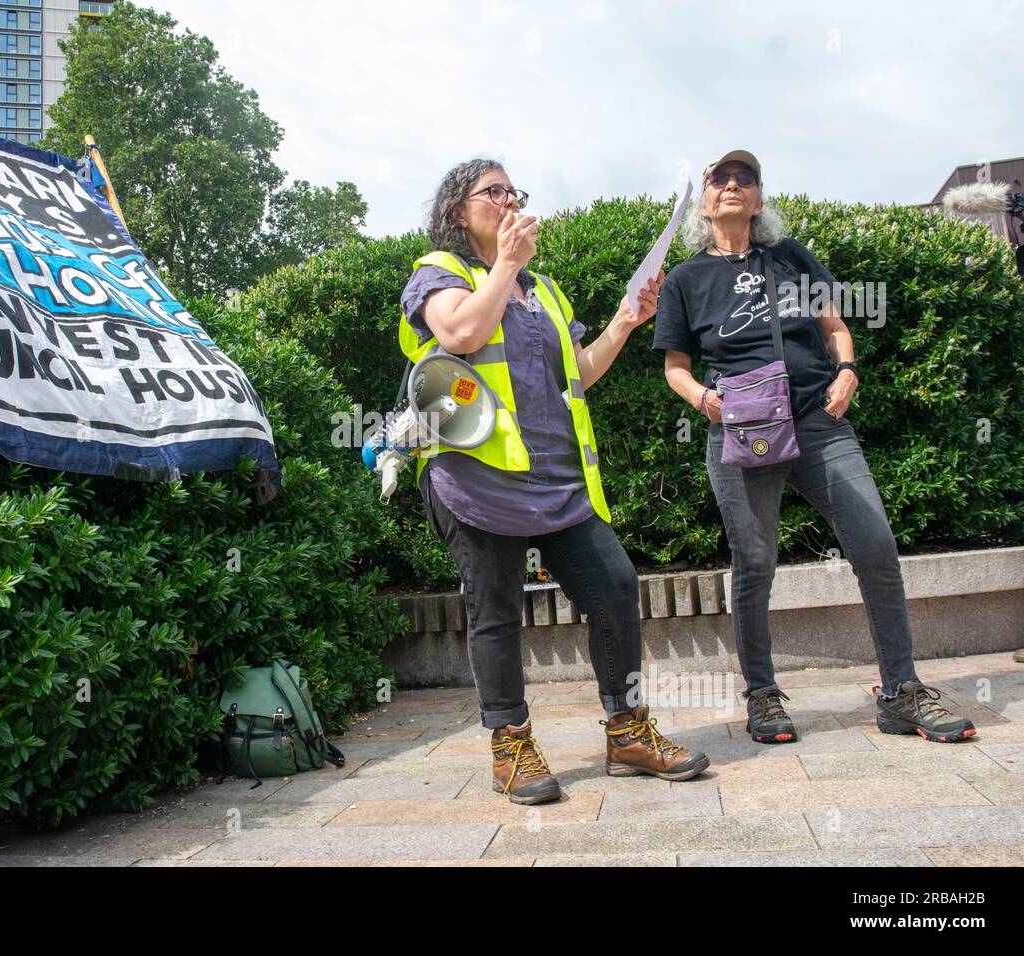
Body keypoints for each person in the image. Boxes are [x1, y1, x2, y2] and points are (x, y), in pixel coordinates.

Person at [399, 158, 710, 805]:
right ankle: (509, 746)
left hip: (556, 486)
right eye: (494, 191)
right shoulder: (441, 275)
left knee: (617, 588)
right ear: (460, 210)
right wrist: (504, 265)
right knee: (496, 614)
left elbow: (581, 374)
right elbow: (460, 330)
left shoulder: (544, 292)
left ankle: (627, 732)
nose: (509, 200)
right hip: (476, 483)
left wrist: (625, 321)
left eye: (515, 191)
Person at [652, 149, 977, 745]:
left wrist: (847, 369)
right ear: (704, 199)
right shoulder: (685, 281)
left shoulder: (791, 257)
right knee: (755, 562)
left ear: (758, 196)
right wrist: (705, 400)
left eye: (744, 178)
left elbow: (833, 325)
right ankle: (763, 695)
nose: (732, 185)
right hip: (744, 428)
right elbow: (676, 368)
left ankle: (901, 693)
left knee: (875, 542)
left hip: (816, 420)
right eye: (720, 178)